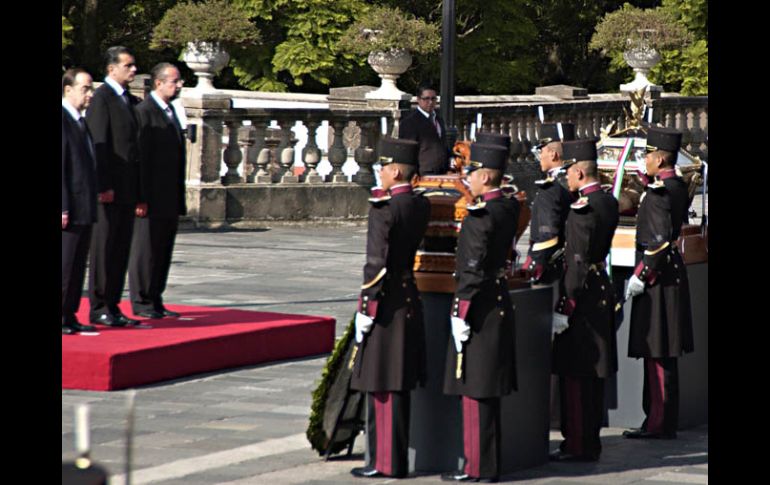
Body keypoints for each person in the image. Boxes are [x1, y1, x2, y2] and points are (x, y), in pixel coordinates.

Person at [349, 137, 431, 479]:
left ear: (396, 170)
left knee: (382, 383)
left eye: (383, 167)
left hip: (385, 303)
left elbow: (375, 265)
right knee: (398, 382)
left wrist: (366, 308)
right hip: (408, 296)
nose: (380, 173)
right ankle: (391, 459)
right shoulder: (419, 205)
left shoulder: (384, 208)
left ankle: (385, 462)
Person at [441, 141, 520, 483]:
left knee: (476, 388)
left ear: (486, 176)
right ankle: (485, 464)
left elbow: (471, 270)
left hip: (480, 307)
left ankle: (477, 467)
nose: (468, 178)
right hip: (498, 298)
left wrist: (460, 311)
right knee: (486, 387)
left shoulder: (480, 216)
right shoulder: (507, 208)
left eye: (472, 173)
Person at [549, 139, 619, 462]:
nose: (566, 179)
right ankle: (590, 439)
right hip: (601, 288)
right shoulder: (608, 202)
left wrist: (565, 306)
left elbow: (576, 267)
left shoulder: (581, 211)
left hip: (582, 297)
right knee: (592, 377)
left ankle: (578, 443)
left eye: (568, 173)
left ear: (578, 171)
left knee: (576, 374)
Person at [622, 127, 693, 440]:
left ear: (661, 157)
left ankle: (659, 422)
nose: (645, 159)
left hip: (659, 279)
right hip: (668, 275)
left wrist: (641, 274)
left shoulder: (659, 192)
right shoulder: (672, 186)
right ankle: (657, 419)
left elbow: (659, 242)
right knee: (658, 351)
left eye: (649, 154)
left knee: (658, 350)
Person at [86, 45, 141, 327]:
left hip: (127, 188)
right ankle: (99, 306)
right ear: (112, 69)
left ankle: (113, 303)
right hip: (109, 189)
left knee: (120, 248)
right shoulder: (102, 99)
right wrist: (103, 184)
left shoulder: (129, 100)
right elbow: (100, 144)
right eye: (128, 65)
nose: (133, 70)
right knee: (104, 248)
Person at [128, 63, 187, 319]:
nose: (179, 85)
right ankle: (141, 300)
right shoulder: (144, 112)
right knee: (146, 249)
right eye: (174, 81)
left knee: (163, 249)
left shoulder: (170, 111)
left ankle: (155, 297)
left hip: (168, 195)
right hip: (150, 196)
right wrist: (140, 196)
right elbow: (139, 157)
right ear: (159, 83)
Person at [62, 68, 99, 335]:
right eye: (85, 88)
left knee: (77, 265)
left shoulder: (80, 120)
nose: (90, 94)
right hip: (69, 206)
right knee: (65, 264)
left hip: (84, 204)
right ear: (68, 90)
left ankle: (70, 313)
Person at [522, 123, 576, 286]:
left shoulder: (550, 189)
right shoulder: (575, 181)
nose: (540, 155)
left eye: (542, 150)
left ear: (553, 154)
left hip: (552, 271)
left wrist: (532, 266)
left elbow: (547, 236)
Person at [398, 85, 450, 175]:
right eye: (426, 99)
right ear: (418, 99)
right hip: (423, 172)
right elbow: (407, 151)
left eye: (433, 99)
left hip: (442, 170)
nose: (430, 102)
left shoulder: (439, 119)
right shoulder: (410, 122)